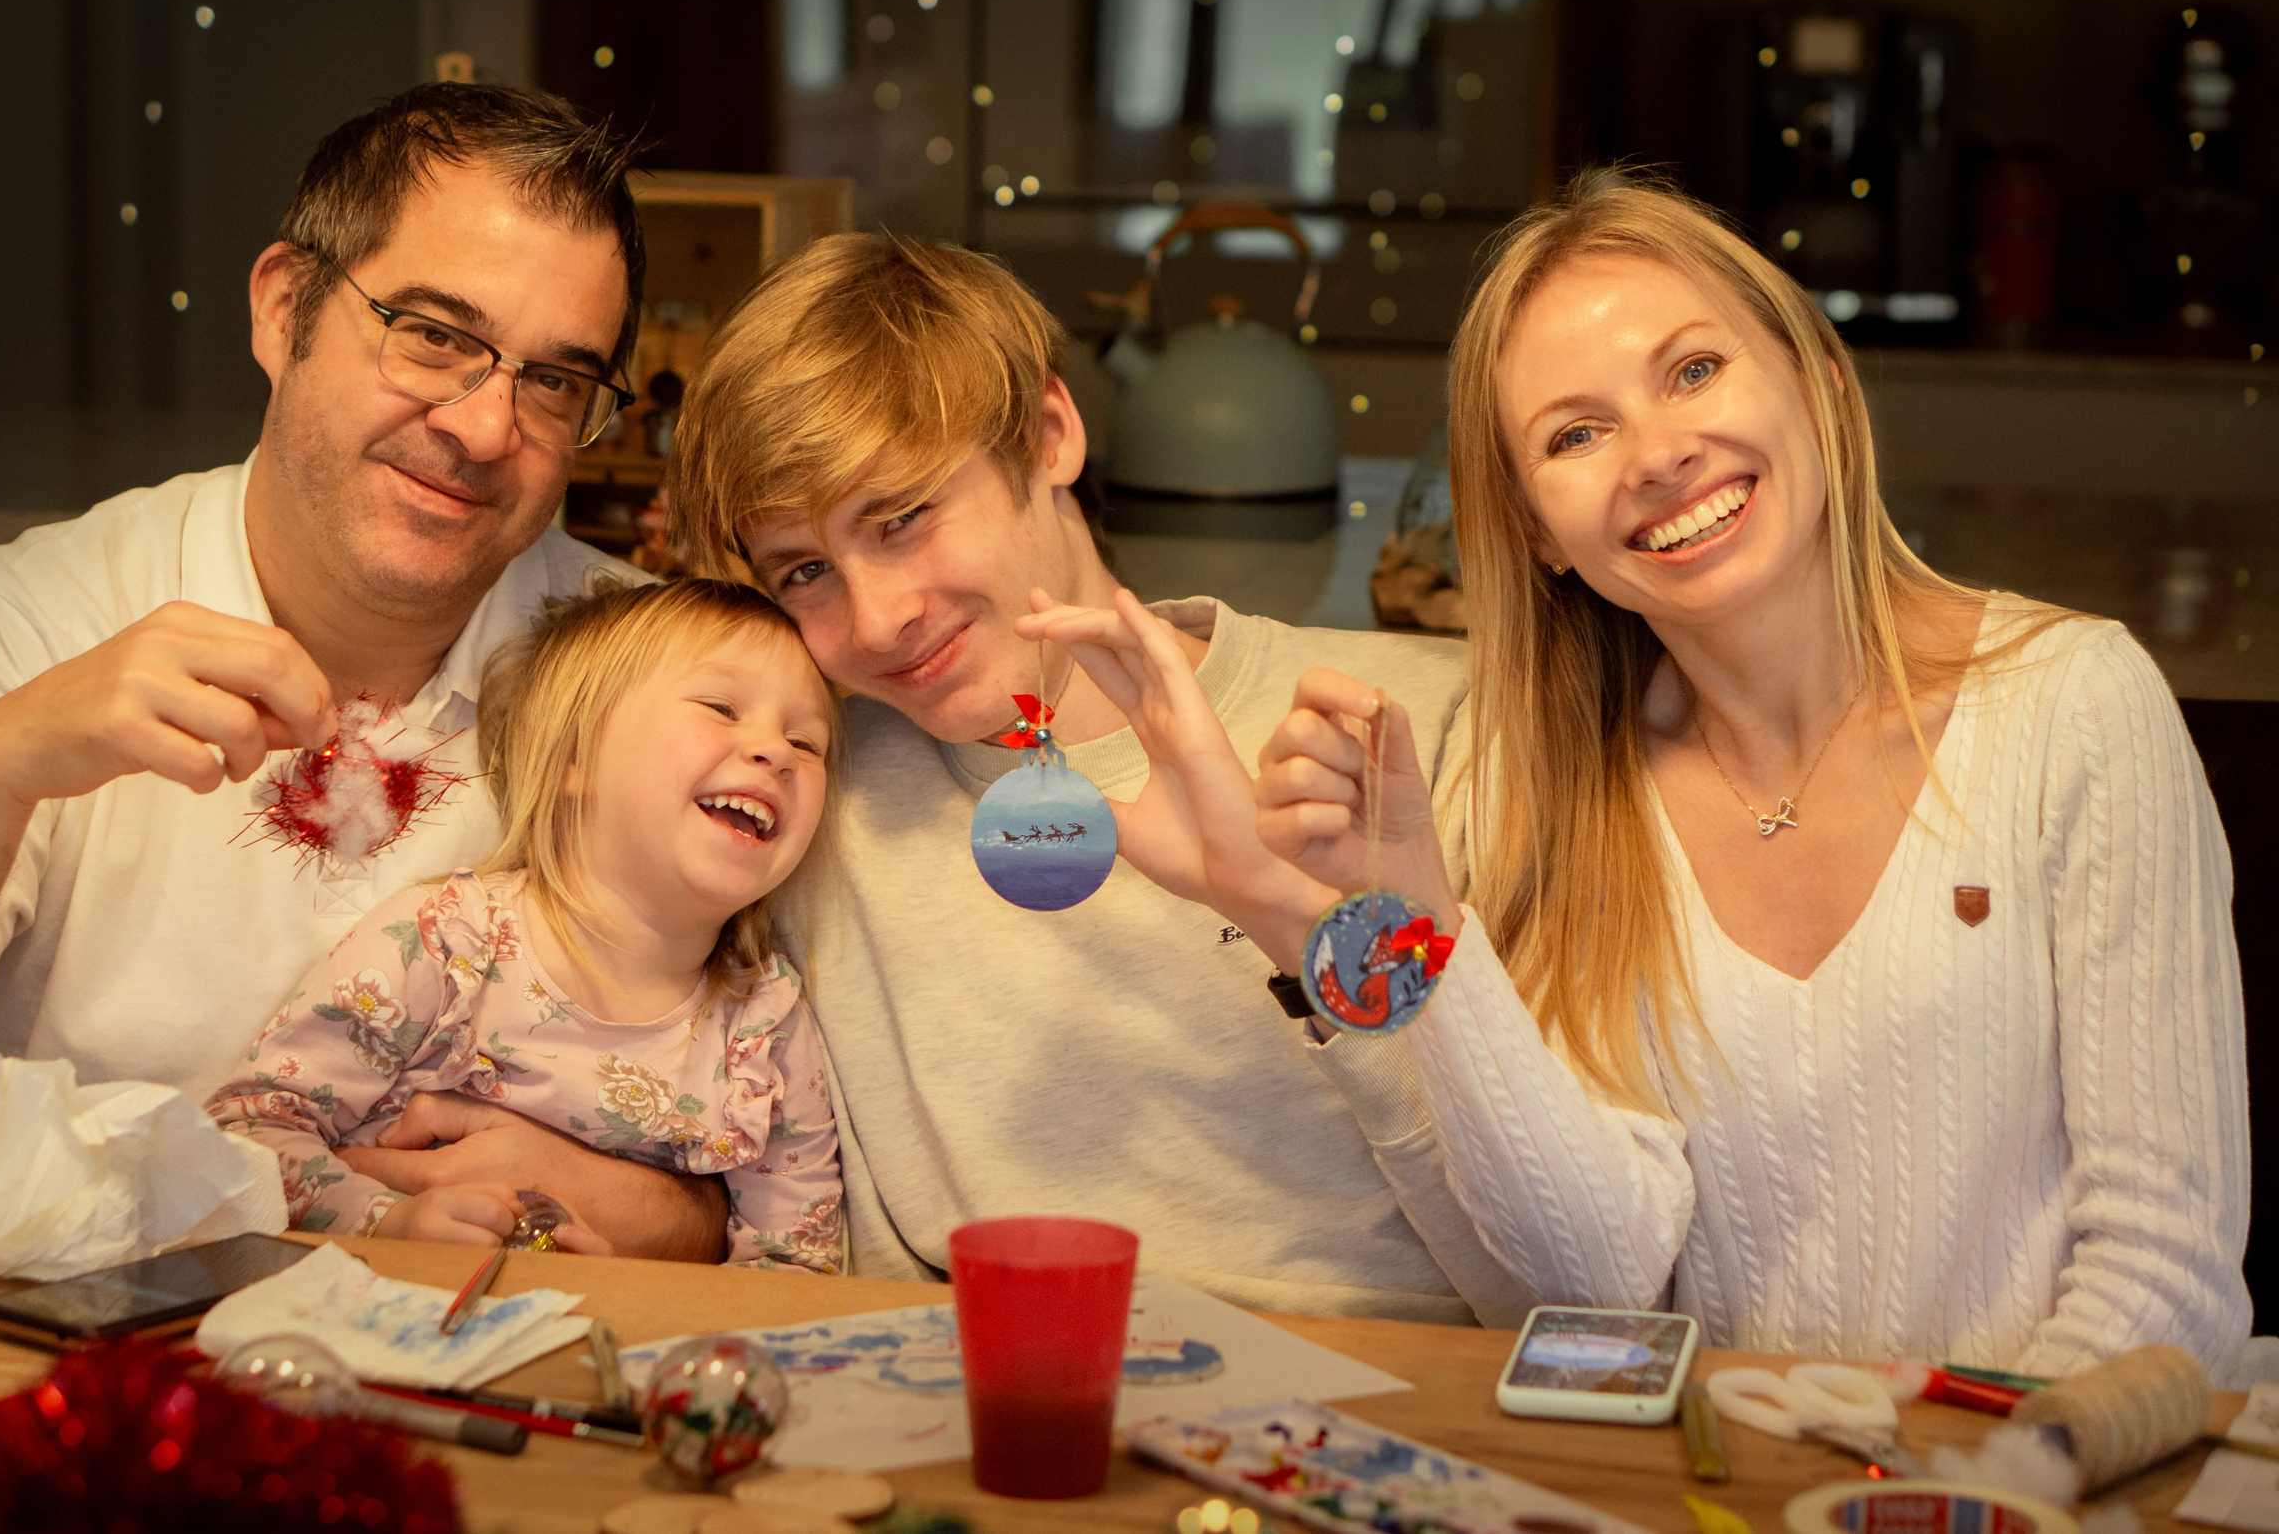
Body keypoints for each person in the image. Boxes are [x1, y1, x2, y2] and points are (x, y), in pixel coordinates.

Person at [1024, 170, 2251, 1377]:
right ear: (1538, 534)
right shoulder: (1546, 784)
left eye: (1694, 369)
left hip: (2033, 1476)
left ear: (1819, 380)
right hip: (1704, 1477)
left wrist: (1978, 1477)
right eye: (1575, 434)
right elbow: (1593, 1289)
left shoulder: (2073, 704)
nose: (1657, 455)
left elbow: (2164, 1283)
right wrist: (1416, 915)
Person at [0, 84, 729, 1263]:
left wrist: (647, 1207)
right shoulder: (29, 624)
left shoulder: (673, 687)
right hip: (71, 1339)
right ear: (283, 307)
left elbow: (785, 1178)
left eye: (553, 380)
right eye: (434, 335)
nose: (485, 427)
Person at [663, 234, 1515, 1322]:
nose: (876, 620)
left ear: (1050, 435)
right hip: (965, 1374)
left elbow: (1545, 1276)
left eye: (904, 517)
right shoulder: (806, 788)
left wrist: (1288, 915)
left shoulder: (1422, 728)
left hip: (1380, 1380)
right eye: (806, 570)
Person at [208, 581, 844, 1268]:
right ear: (575, 757)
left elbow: (799, 1268)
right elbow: (246, 1135)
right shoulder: (445, 942)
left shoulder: (765, 1030)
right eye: (721, 707)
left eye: (806, 742)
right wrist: (386, 1222)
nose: (776, 751)